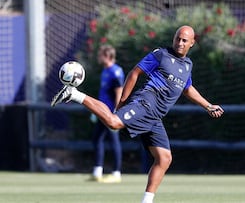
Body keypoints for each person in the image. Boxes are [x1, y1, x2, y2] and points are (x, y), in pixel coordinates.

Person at [51, 25, 224, 203]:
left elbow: (187, 88)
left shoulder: (187, 65)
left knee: (164, 158)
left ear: (192, 43)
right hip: (145, 103)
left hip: (155, 117)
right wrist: (123, 102)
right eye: (177, 38)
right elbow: (135, 73)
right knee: (113, 123)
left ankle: (146, 201)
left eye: (184, 40)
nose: (180, 42)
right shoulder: (161, 54)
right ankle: (74, 94)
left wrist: (208, 105)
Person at [90, 45, 125, 183]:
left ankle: (117, 173)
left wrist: (117, 112)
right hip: (101, 112)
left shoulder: (115, 72)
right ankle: (97, 172)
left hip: (111, 113)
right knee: (97, 139)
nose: (99, 57)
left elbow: (119, 92)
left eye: (101, 55)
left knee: (114, 142)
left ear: (107, 56)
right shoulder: (105, 71)